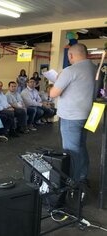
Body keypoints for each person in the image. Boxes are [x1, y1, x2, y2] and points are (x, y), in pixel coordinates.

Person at [50, 43, 96, 184]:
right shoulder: (95, 68)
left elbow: (53, 93)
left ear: (70, 55)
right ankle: (82, 175)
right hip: (88, 114)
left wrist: (56, 81)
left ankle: (75, 182)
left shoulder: (70, 71)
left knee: (71, 150)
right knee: (81, 146)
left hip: (71, 116)